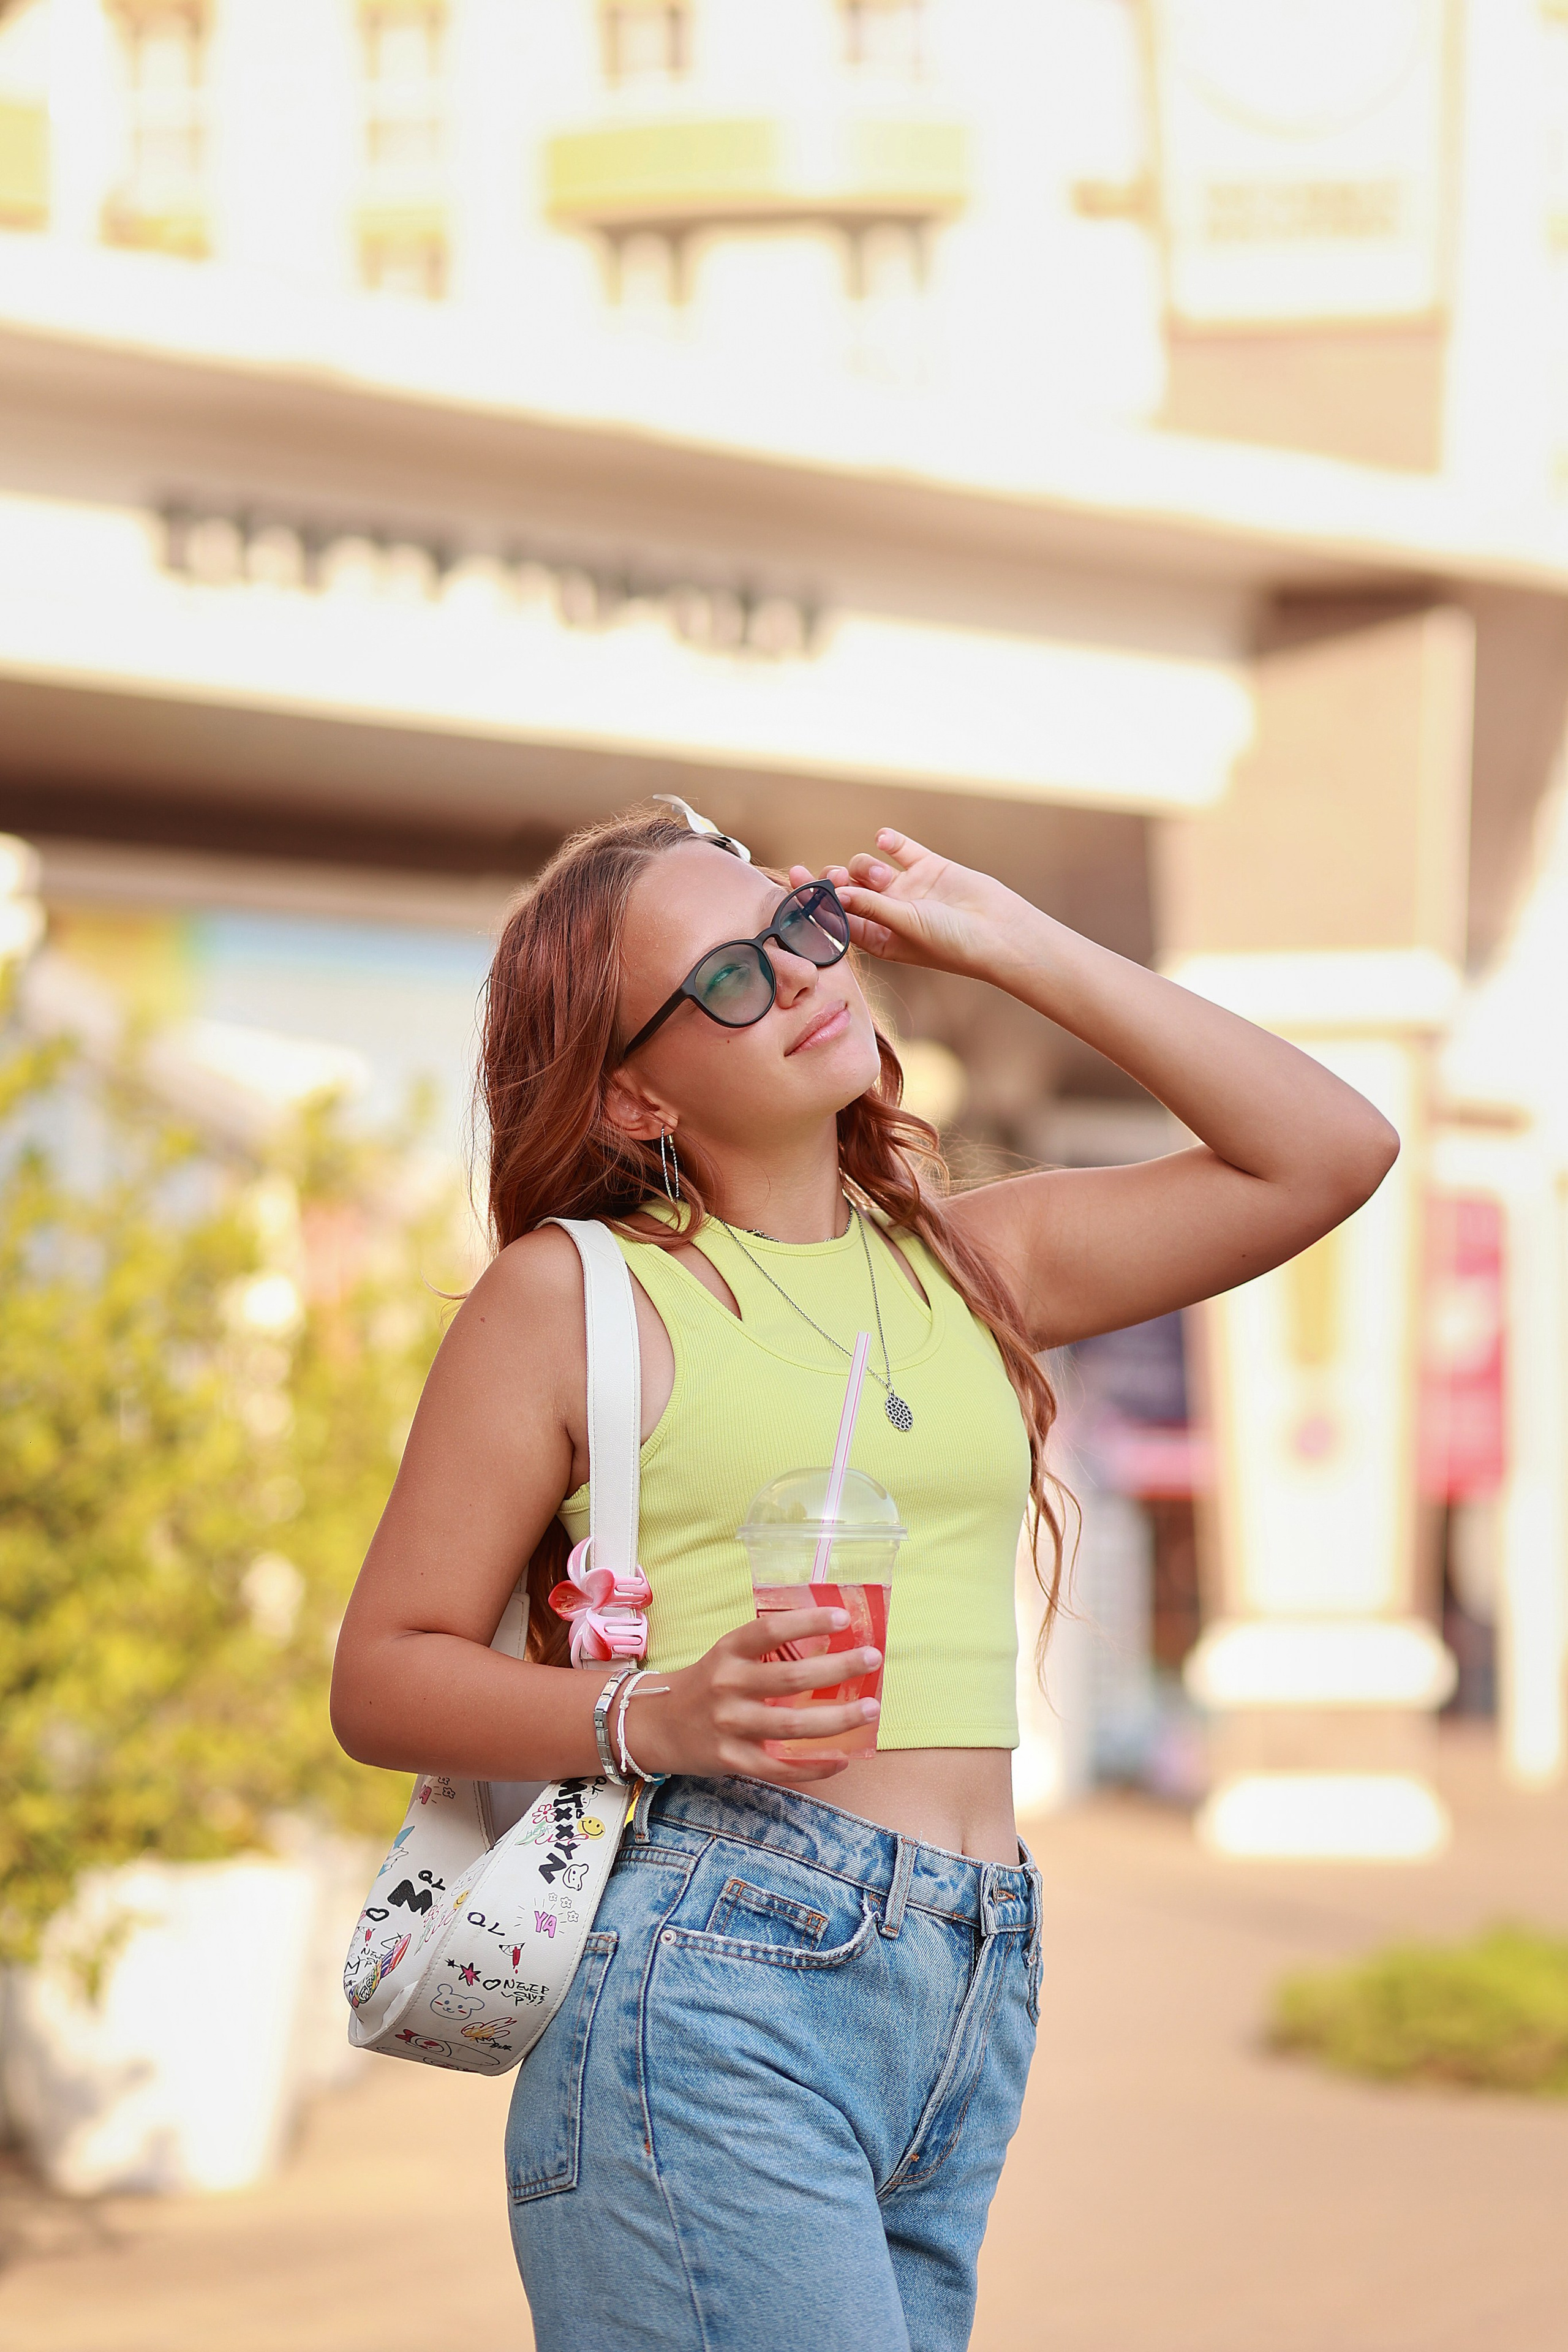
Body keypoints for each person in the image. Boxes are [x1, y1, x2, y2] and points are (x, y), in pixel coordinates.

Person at [331, 802, 1396, 2351]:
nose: (800, 976)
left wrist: (1005, 940)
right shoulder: (573, 1294)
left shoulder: (976, 1265)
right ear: (634, 1092)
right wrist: (658, 1716)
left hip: (967, 1975)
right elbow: (383, 1672)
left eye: (798, 925)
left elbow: (1330, 1150)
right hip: (711, 1973)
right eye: (731, 981)